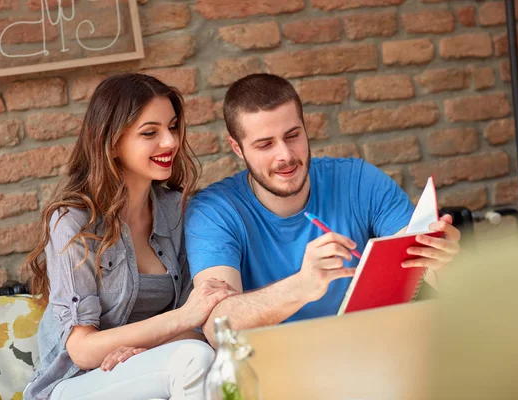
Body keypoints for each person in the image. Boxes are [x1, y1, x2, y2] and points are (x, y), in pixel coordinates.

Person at [184, 73, 461, 346]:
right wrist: (302, 286)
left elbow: (421, 272)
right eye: (265, 144)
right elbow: (217, 327)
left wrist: (445, 261)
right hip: (280, 364)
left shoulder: (360, 181)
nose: (286, 155)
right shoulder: (214, 212)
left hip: (373, 346)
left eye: (293, 135)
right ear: (237, 148)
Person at [22, 73, 236, 400]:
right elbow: (81, 349)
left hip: (148, 369)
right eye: (150, 132)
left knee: (222, 360)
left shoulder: (176, 211)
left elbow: (193, 330)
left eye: (173, 127)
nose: (170, 142)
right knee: (195, 359)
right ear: (112, 142)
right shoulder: (72, 221)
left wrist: (141, 349)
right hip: (75, 385)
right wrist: (182, 318)